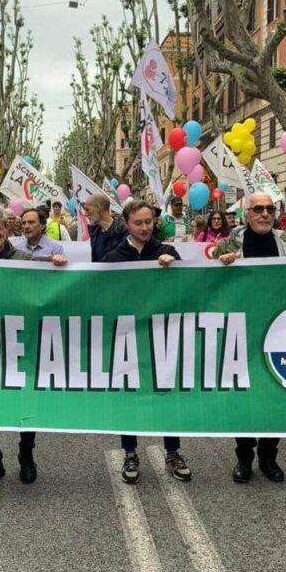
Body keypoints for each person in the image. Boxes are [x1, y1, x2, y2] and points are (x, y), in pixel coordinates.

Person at [0, 207, 67, 489]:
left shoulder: (25, 260)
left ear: (7, 230)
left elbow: (49, 282)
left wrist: (57, 265)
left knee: (25, 403)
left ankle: (26, 455)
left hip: (20, 345)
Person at [103, 200, 192, 485]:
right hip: (128, 337)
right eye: (138, 223)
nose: (144, 228)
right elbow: (100, 293)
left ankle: (173, 452)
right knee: (129, 395)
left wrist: (175, 266)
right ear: (127, 224)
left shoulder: (167, 251)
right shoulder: (114, 257)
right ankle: (130, 452)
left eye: (148, 222)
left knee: (166, 392)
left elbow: (189, 285)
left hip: (162, 336)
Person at [214, 193, 286, 483]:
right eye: (258, 209)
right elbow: (209, 274)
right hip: (242, 329)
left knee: (275, 395)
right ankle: (244, 457)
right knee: (244, 396)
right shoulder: (231, 242)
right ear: (247, 214)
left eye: (270, 209)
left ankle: (269, 457)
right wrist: (221, 262)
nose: (265, 214)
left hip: (279, 329)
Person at [85, 192, 127, 261]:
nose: (85, 214)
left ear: (99, 208)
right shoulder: (95, 232)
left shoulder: (123, 230)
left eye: (87, 209)